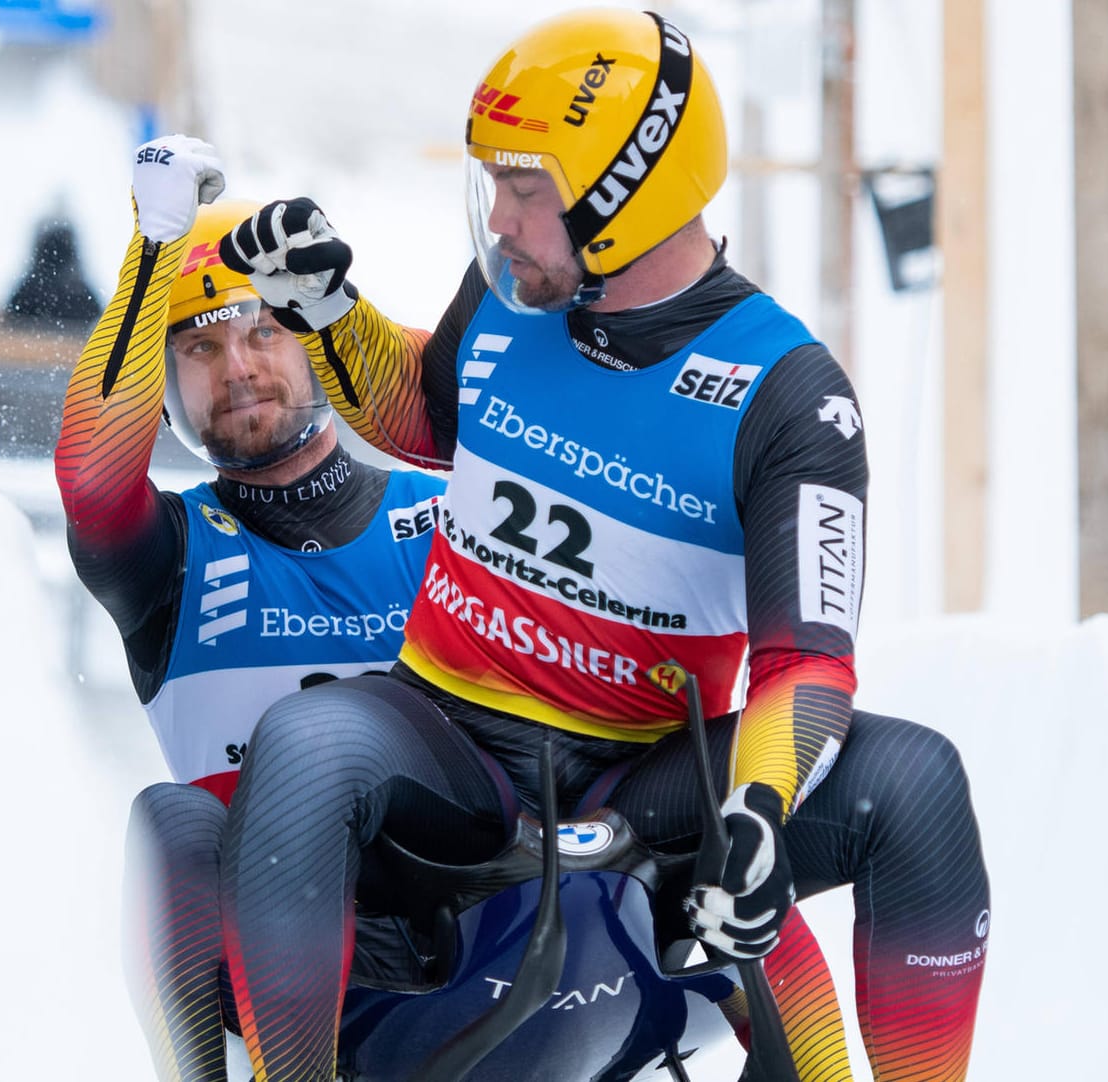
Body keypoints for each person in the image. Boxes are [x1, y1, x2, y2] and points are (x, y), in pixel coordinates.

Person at [213, 8, 991, 1080]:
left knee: (916, 784)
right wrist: (329, 315)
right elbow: (432, 423)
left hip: (642, 777)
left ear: (629, 192)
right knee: (304, 745)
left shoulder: (791, 397)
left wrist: (759, 808)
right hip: (452, 737)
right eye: (495, 183)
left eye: (527, 189)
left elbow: (808, 663)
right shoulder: (509, 294)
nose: (502, 216)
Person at [53, 139, 447, 1081]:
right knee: (171, 824)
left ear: (310, 335)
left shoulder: (443, 512)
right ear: (167, 385)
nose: (236, 367)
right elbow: (92, 481)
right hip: (274, 958)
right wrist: (154, 249)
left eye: (262, 331)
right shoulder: (166, 549)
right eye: (198, 346)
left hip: (471, 924)